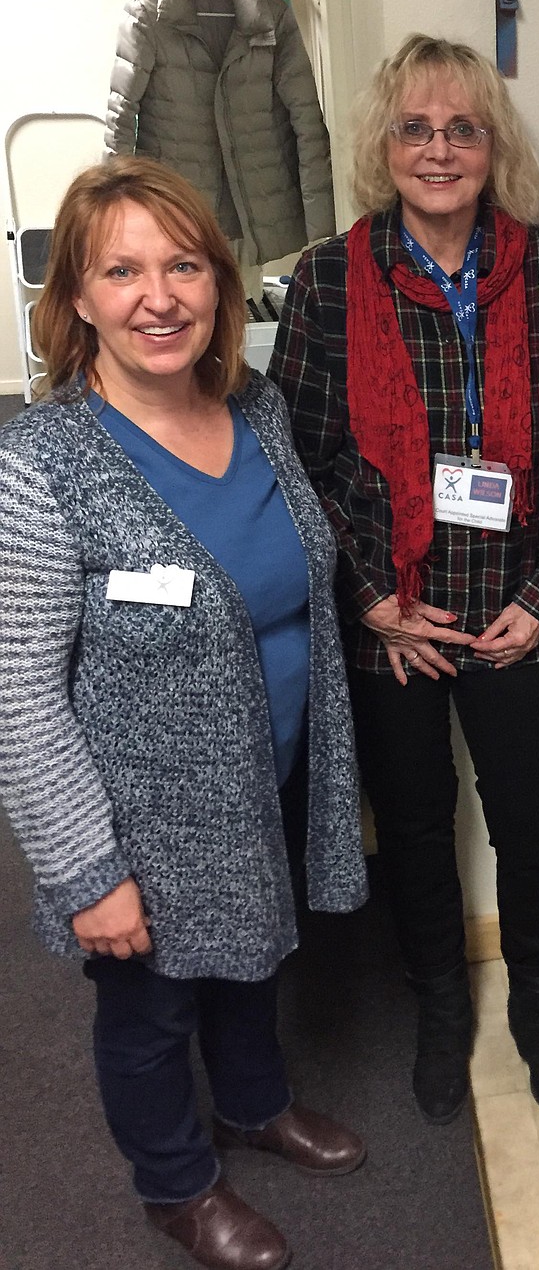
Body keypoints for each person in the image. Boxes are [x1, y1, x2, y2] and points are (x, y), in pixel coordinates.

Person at [0, 157, 369, 1270]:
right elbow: (19, 693)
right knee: (152, 1010)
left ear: (218, 283)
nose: (157, 296)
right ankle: (175, 1182)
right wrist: (85, 872)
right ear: (74, 300)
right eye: (120, 271)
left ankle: (254, 1103)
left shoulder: (256, 406)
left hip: (272, 770)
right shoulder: (42, 463)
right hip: (137, 816)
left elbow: (302, 575)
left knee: (253, 952)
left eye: (182, 265)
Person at [269, 34, 539, 1127]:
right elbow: (295, 458)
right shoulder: (330, 278)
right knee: (415, 824)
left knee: (535, 820)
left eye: (462, 128)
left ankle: (536, 1003)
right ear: (385, 144)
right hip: (396, 623)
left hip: (523, 609)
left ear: (492, 145)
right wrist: (374, 599)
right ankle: (440, 1006)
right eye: (417, 128)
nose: (439, 149)